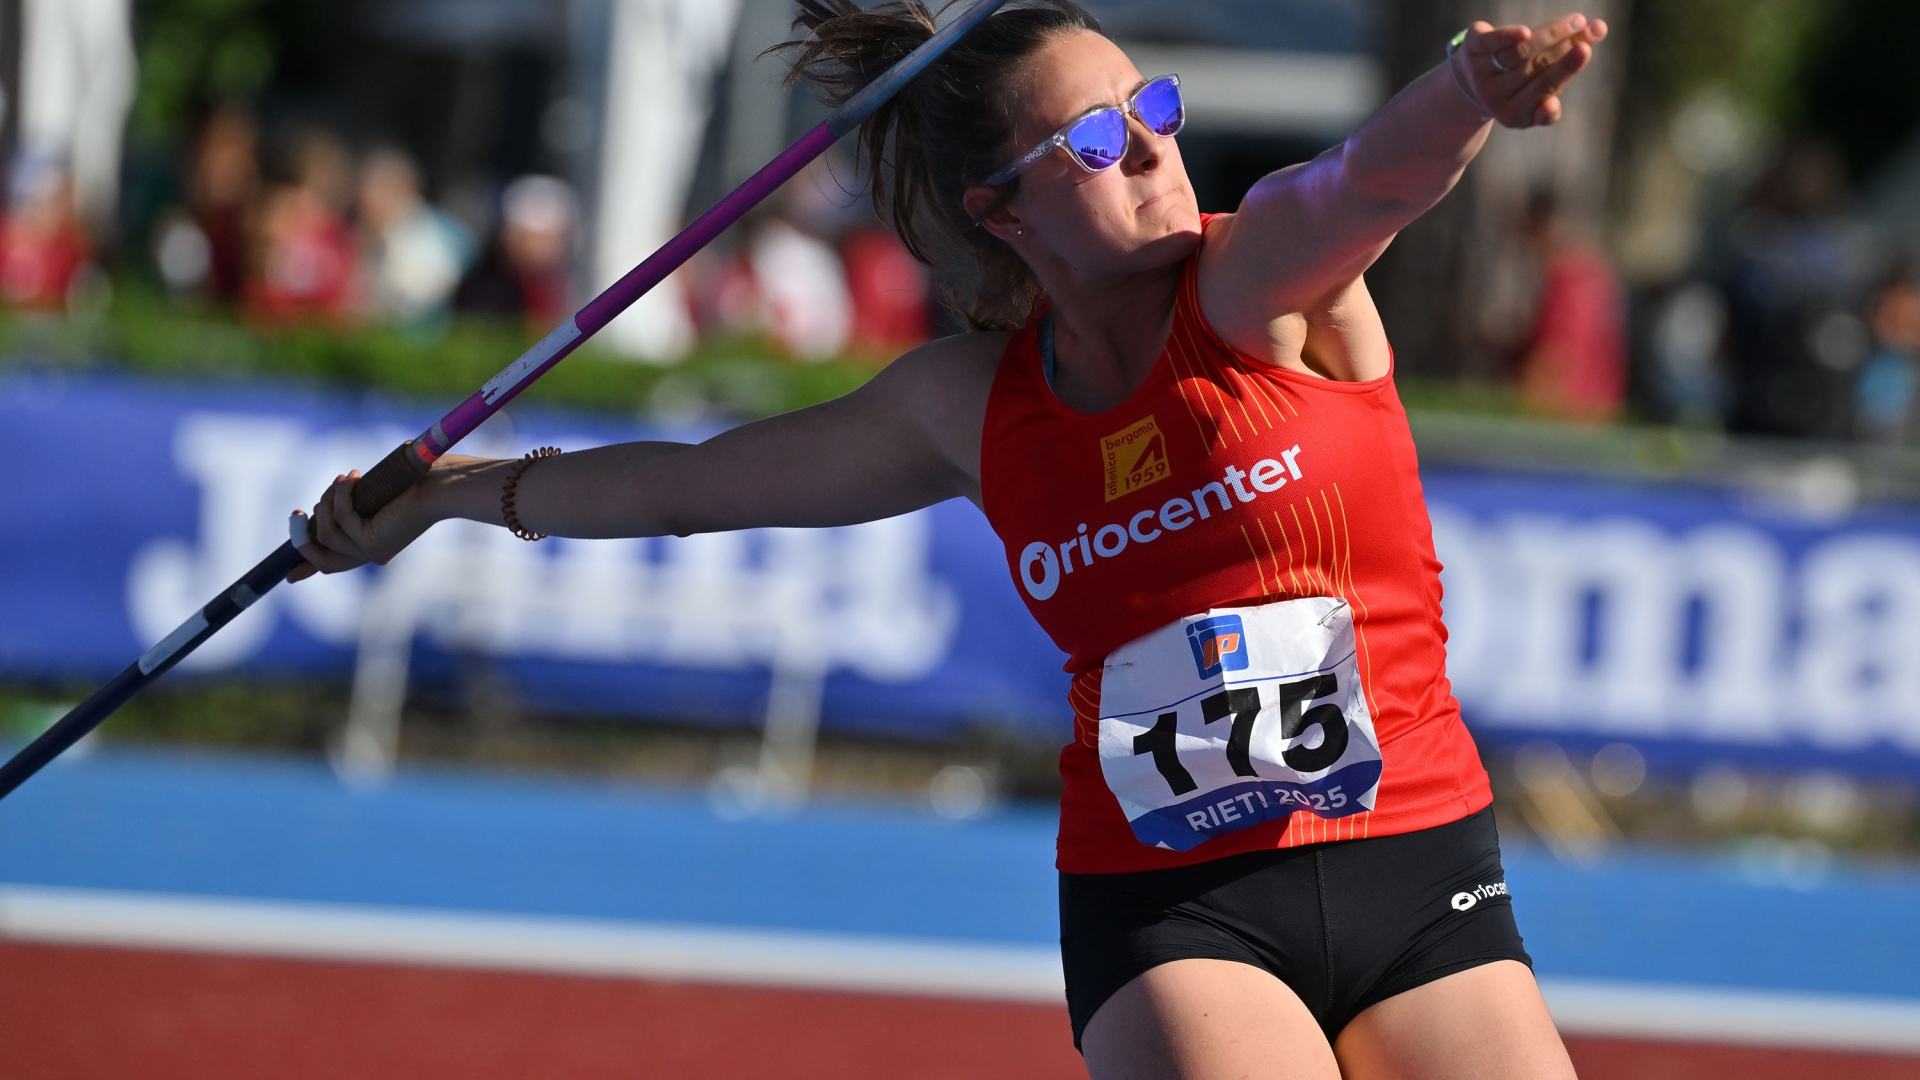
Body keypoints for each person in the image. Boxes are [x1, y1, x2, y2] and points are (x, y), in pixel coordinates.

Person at [291, 3, 1606, 1076]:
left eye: (1154, 108)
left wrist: (1467, 89)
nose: (1152, 149)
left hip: (1414, 861)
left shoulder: (1262, 281)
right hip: (1176, 907)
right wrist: (449, 495)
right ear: (1002, 211)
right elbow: (688, 487)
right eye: (1098, 136)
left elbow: (1369, 175)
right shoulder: (968, 407)